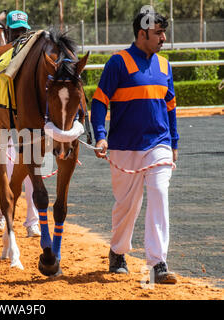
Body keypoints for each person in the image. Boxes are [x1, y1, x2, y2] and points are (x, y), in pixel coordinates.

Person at [90, 11, 179, 284]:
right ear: (142, 34)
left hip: (158, 143)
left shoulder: (165, 66)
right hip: (124, 147)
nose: (164, 38)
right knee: (127, 205)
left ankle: (158, 262)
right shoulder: (118, 63)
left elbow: (171, 107)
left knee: (159, 193)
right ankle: (118, 252)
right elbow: (98, 102)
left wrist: (173, 141)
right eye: (158, 33)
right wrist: (101, 136)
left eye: (164, 32)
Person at [0, 10, 41, 237]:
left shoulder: (31, 63)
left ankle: (32, 221)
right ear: (8, 32)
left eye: (23, 31)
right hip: (4, 121)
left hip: (27, 126)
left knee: (33, 172)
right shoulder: (0, 58)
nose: (19, 35)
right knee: (8, 171)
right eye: (16, 31)